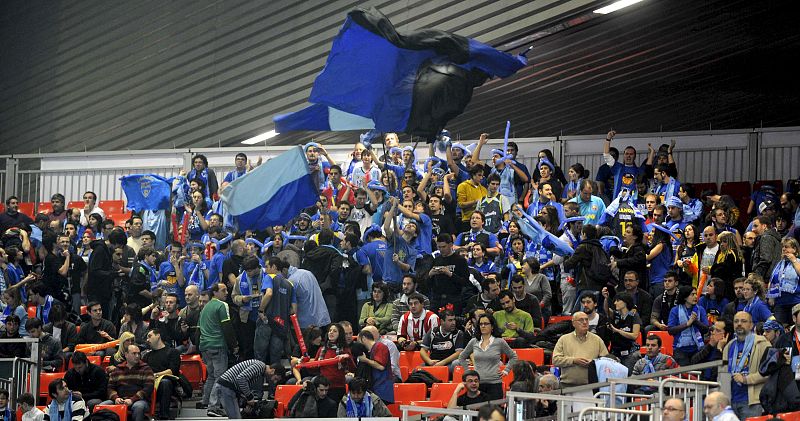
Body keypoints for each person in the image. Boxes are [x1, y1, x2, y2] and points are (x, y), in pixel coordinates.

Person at [457, 313, 517, 400]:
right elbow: (462, 357)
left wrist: (506, 370)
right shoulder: (474, 341)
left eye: (486, 323)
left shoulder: (499, 342)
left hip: (495, 384)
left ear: (492, 326)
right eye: (481, 324)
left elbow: (513, 357)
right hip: (478, 385)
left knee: (495, 408)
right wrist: (468, 373)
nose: (483, 326)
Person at [722, 311, 770, 419]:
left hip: (752, 402)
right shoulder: (728, 346)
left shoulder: (762, 343)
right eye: (736, 321)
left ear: (751, 325)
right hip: (731, 402)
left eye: (743, 321)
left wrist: (745, 379)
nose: (739, 324)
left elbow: (768, 372)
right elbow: (724, 375)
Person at [198, 283, 238, 410]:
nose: (226, 293)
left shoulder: (205, 308)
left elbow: (198, 331)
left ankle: (205, 401)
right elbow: (227, 327)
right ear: (215, 292)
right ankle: (214, 406)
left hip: (205, 346)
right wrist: (234, 345)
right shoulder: (222, 305)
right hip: (217, 345)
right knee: (220, 377)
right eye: (223, 290)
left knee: (211, 375)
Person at [552, 311, 609, 387]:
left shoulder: (597, 339)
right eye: (581, 320)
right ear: (573, 323)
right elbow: (555, 360)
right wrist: (573, 361)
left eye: (586, 319)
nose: (585, 322)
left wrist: (593, 363)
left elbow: (606, 361)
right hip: (567, 385)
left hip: (591, 386)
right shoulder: (564, 339)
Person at [101, 344, 154, 421]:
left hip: (139, 400)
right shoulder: (117, 369)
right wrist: (116, 398)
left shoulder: (146, 369)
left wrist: (132, 399)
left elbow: (148, 388)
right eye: (134, 353)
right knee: (102, 406)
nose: (137, 356)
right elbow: (110, 388)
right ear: (126, 354)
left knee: (138, 407)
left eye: (138, 353)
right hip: (120, 400)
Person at [142, 328, 181, 420]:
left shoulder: (173, 352)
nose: (147, 340)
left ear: (158, 335)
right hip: (149, 383)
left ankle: (164, 415)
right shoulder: (147, 356)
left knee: (165, 382)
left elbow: (172, 370)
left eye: (150, 336)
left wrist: (156, 375)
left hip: (166, 383)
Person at [668, 286, 709, 366]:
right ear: (685, 297)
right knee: (685, 371)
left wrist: (695, 321)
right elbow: (670, 330)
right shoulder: (675, 310)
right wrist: (687, 324)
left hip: (698, 348)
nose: (695, 296)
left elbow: (706, 329)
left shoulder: (700, 309)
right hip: (680, 349)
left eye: (696, 294)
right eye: (692, 294)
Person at [601, 292, 642, 371]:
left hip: (630, 353)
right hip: (615, 351)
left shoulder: (634, 315)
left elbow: (634, 335)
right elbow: (606, 310)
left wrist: (617, 331)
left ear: (625, 302)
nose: (615, 303)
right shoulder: (616, 314)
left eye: (618, 300)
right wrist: (606, 298)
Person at [767, 238, 800, 325]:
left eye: (786, 247)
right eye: (783, 247)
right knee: (780, 328)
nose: (784, 249)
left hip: (796, 301)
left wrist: (794, 260)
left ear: (794, 249)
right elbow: (772, 279)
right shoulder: (779, 264)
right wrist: (771, 296)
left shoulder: (799, 262)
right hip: (780, 303)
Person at [357, 329, 394, 404]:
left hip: (383, 388)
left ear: (363, 338)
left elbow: (381, 366)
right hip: (376, 386)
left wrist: (365, 360)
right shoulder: (371, 351)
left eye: (359, 341)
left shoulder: (380, 346)